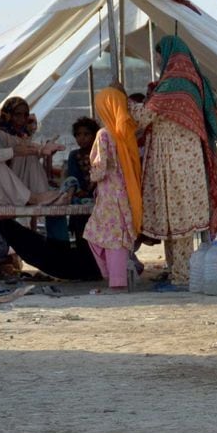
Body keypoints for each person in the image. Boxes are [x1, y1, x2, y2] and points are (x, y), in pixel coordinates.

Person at [129, 35, 217, 288]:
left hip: (174, 160)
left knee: (179, 219)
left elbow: (144, 117)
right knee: (177, 219)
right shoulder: (195, 83)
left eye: (159, 54)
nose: (157, 59)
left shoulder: (175, 85)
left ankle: (182, 276)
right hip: (184, 158)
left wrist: (124, 101)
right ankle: (177, 272)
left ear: (170, 54)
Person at [82, 88, 143, 292]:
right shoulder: (125, 132)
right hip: (124, 192)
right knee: (116, 235)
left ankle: (116, 279)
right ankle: (120, 275)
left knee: (101, 235)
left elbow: (99, 168)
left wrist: (91, 175)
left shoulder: (104, 134)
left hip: (109, 194)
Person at [46, 116, 100, 243]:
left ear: (94, 135)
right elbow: (73, 176)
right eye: (78, 135)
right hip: (79, 196)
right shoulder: (74, 155)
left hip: (98, 196)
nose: (82, 138)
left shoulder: (100, 153)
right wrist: (80, 191)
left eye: (86, 134)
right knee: (81, 233)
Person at [0, 97, 53, 198]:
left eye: (25, 115)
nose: (22, 119)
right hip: (5, 184)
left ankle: (40, 196)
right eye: (17, 115)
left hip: (24, 184)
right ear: (8, 115)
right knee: (27, 153)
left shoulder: (23, 135)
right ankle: (40, 196)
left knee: (30, 156)